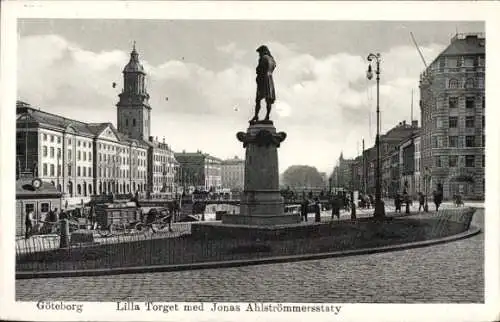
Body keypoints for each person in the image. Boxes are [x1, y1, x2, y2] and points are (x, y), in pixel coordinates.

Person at [250, 45, 277, 122]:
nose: (259, 54)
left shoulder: (263, 58)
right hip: (270, 79)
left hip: (263, 79)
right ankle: (267, 116)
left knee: (258, 99)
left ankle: (256, 116)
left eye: (259, 53)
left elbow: (259, 69)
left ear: (263, 51)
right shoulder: (272, 60)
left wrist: (258, 71)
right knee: (268, 99)